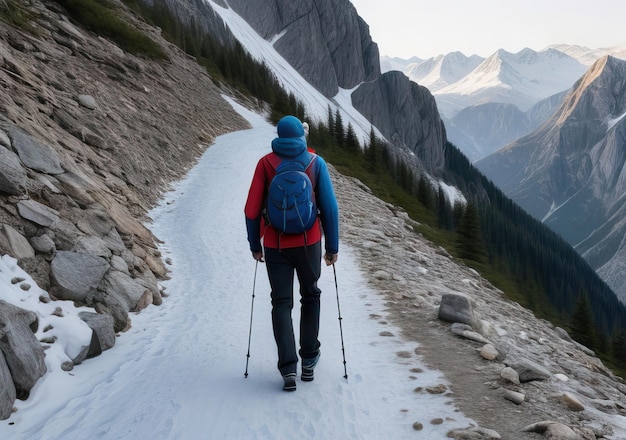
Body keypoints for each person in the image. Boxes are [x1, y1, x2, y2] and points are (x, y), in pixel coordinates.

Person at [244, 115, 339, 391]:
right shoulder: (315, 162)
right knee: (311, 295)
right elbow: (330, 208)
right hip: (309, 243)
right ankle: (309, 359)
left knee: (281, 303)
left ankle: (288, 368)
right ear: (302, 136)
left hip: (275, 244)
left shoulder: (265, 164)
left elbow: (251, 210)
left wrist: (255, 245)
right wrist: (332, 247)